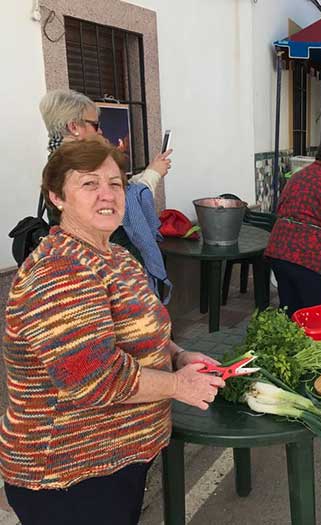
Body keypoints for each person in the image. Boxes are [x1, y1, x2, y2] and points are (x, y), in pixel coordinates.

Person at [0, 140, 225, 525]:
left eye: (116, 183)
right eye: (89, 184)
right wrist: (177, 386)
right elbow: (93, 379)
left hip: (115, 459)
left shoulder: (116, 256)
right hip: (70, 474)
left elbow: (144, 330)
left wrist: (178, 355)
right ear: (57, 196)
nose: (107, 194)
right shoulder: (60, 270)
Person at [39, 89, 172, 296]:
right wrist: (153, 175)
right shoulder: (76, 163)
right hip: (104, 263)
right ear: (74, 127)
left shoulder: (57, 162)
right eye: (95, 125)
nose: (100, 131)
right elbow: (122, 201)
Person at [265, 135, 321, 315]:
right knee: (318, 316)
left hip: (279, 252)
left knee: (292, 313)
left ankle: (294, 342)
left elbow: (280, 208)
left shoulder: (297, 177)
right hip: (311, 259)